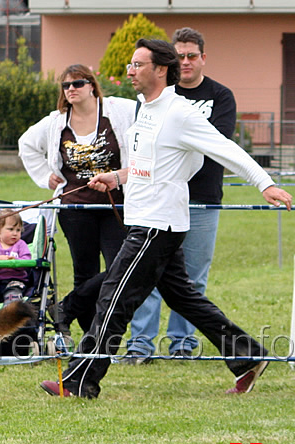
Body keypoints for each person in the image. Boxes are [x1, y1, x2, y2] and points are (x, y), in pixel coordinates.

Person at [40, 38, 292, 399]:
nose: (130, 71)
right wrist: (118, 177)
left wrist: (264, 184)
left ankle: (82, 381)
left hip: (155, 226)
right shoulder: (146, 108)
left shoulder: (181, 112)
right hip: (149, 219)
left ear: (161, 69)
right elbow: (151, 165)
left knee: (113, 298)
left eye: (138, 64)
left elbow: (225, 149)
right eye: (130, 64)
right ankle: (248, 355)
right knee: (184, 298)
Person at [124, 27, 238, 363]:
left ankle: (182, 343)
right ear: (167, 63)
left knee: (192, 279)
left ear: (203, 58)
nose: (185, 62)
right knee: (145, 275)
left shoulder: (221, 95)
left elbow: (217, 145)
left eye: (192, 56)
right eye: (180, 56)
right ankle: (141, 344)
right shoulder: (150, 100)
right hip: (157, 202)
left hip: (202, 198)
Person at [19, 64, 135, 335]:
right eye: (66, 85)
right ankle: (91, 337)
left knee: (121, 269)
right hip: (74, 208)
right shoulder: (56, 121)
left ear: (92, 85)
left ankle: (65, 308)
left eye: (77, 83)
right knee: (84, 272)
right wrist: (45, 175)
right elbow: (26, 145)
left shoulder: (118, 111)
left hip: (115, 207)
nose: (71, 89)